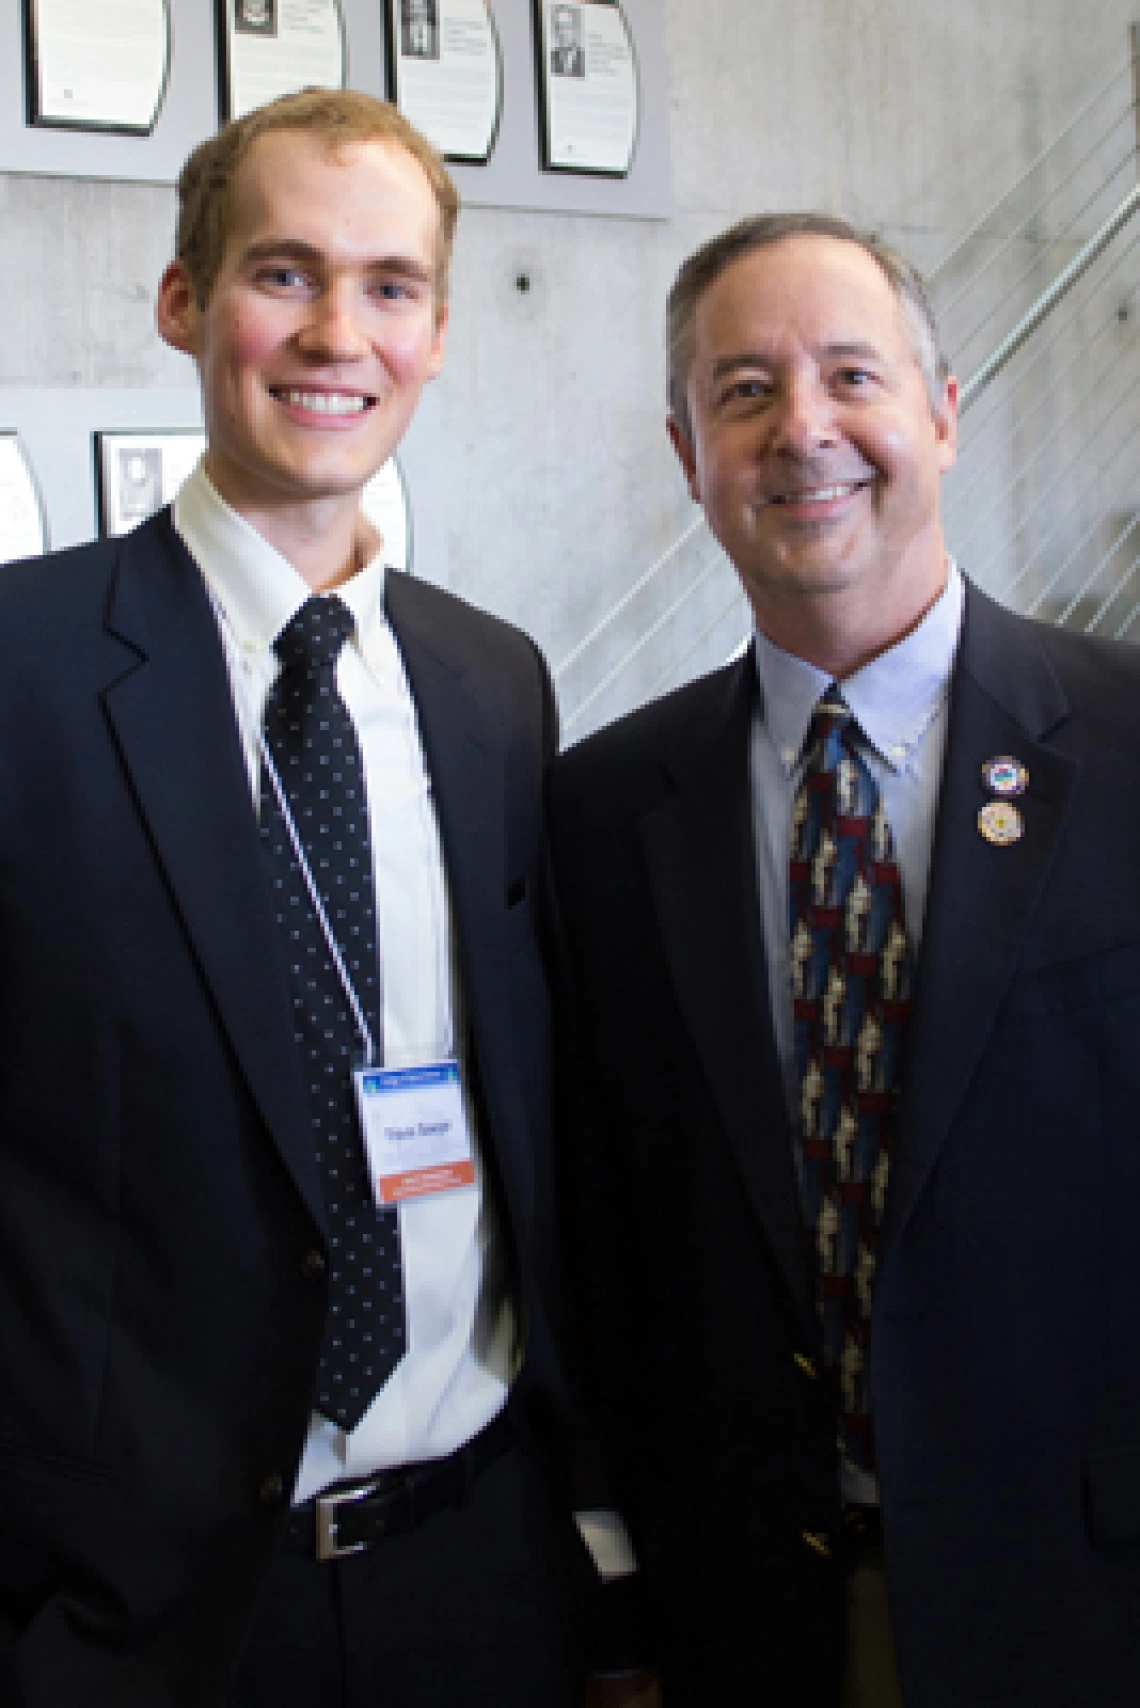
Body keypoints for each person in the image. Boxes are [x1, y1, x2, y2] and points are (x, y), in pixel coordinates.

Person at [0, 88, 591, 1707]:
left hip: (477, 1572)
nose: (340, 330)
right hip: (135, 1617)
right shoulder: (23, 672)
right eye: (285, 271)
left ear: (439, 331)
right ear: (187, 300)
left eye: (391, 285)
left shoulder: (492, 684)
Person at [549, 212, 1140, 1706]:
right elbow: (607, 1235)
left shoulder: (1129, 740)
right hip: (759, 1625)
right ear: (689, 456)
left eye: (852, 376)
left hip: (1094, 1599)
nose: (802, 429)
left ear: (943, 414)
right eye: (743, 391)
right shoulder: (604, 809)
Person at [550, 5, 586, 78]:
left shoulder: (583, 58)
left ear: (573, 29)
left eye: (566, 26)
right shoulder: (551, 58)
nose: (562, 32)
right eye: (559, 27)